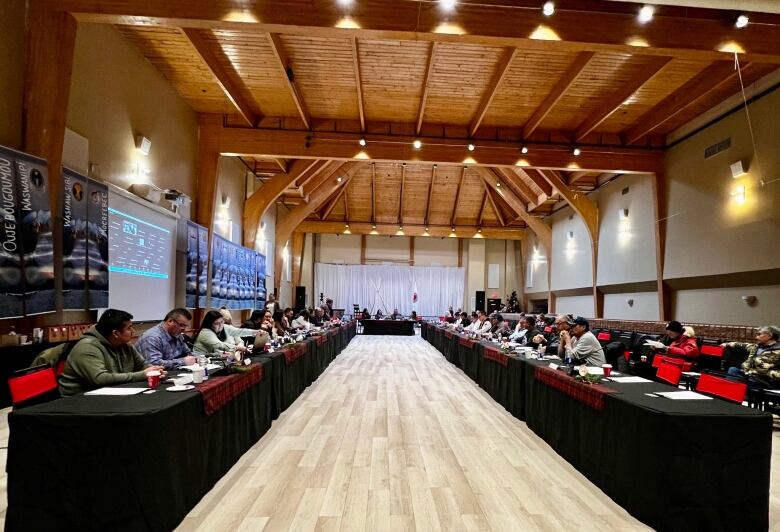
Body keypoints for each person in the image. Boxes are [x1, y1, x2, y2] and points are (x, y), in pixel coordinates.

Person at [59, 309, 165, 397]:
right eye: (129, 328)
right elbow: (100, 378)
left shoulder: (124, 344)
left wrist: (155, 371)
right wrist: (143, 375)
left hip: (109, 393)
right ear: (116, 333)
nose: (133, 331)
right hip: (79, 399)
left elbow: (142, 365)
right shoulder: (87, 347)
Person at [193, 309, 258, 357]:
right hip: (200, 361)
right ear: (209, 324)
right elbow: (220, 345)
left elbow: (239, 331)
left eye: (222, 321)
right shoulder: (205, 332)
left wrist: (256, 332)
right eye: (216, 323)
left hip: (213, 359)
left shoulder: (224, 327)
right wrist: (238, 348)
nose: (221, 325)